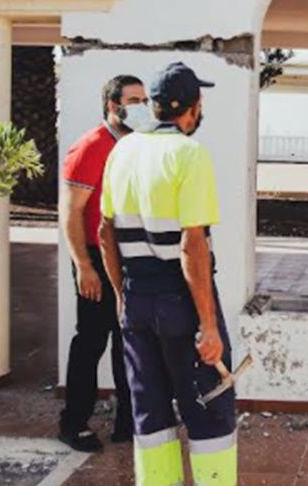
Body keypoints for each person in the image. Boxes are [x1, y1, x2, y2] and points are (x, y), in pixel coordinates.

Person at [99, 63, 236, 486]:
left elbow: (106, 233)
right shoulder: (189, 154)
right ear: (193, 108)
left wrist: (123, 297)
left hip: (137, 300)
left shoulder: (121, 150)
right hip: (180, 303)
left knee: (150, 416)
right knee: (209, 412)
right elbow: (191, 245)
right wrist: (209, 326)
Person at [57, 74, 154, 452]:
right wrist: (83, 265)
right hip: (95, 256)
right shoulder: (90, 146)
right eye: (134, 99)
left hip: (127, 255)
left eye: (145, 99)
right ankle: (73, 422)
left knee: (127, 339)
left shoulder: (136, 145)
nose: (142, 106)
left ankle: (127, 422)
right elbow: (70, 212)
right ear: (113, 106)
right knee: (91, 340)